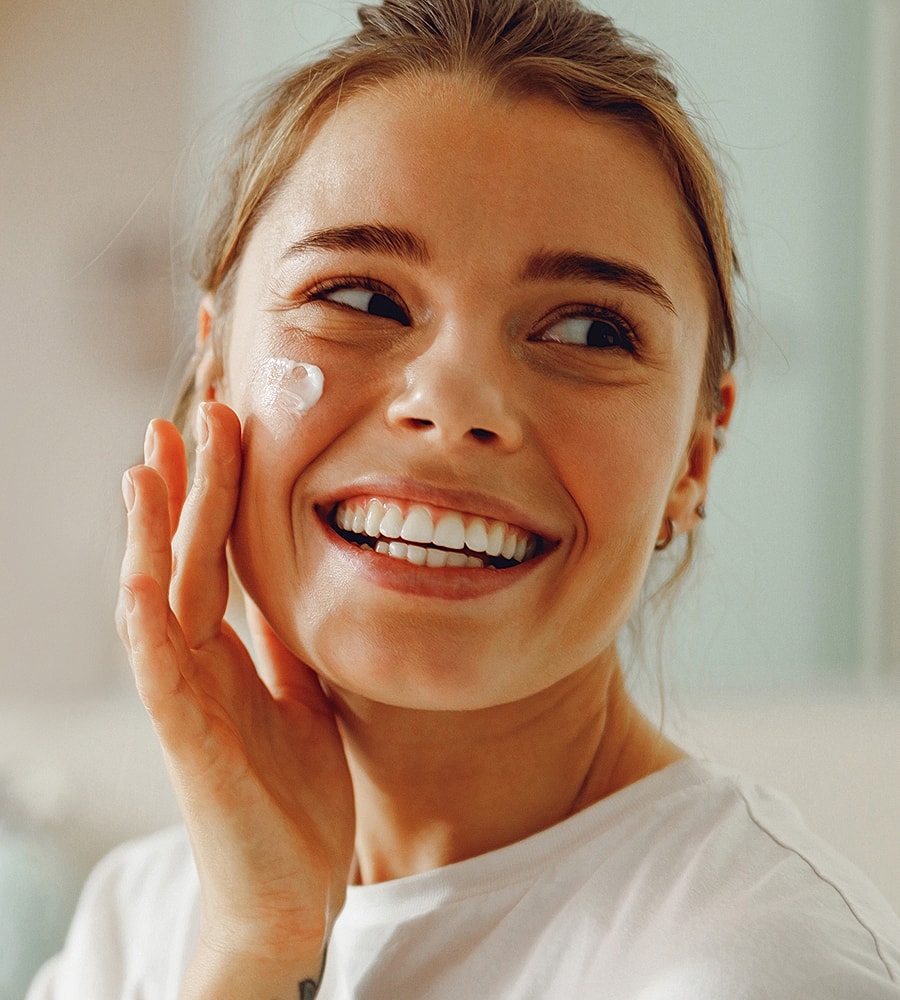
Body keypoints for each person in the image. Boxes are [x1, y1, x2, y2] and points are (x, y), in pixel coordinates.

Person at [28, 0, 900, 997]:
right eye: (359, 300)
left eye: (588, 332)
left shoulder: (758, 968)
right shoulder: (138, 926)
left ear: (695, 460)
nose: (455, 405)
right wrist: (258, 948)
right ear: (215, 371)